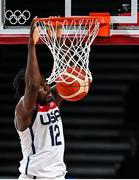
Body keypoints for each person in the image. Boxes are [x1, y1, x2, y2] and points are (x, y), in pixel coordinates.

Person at [13, 17, 66, 179]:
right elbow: (33, 85)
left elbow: (66, 80)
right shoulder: (25, 110)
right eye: (41, 85)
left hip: (58, 175)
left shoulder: (51, 101)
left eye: (44, 83)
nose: (46, 87)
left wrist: (58, 41)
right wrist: (31, 45)